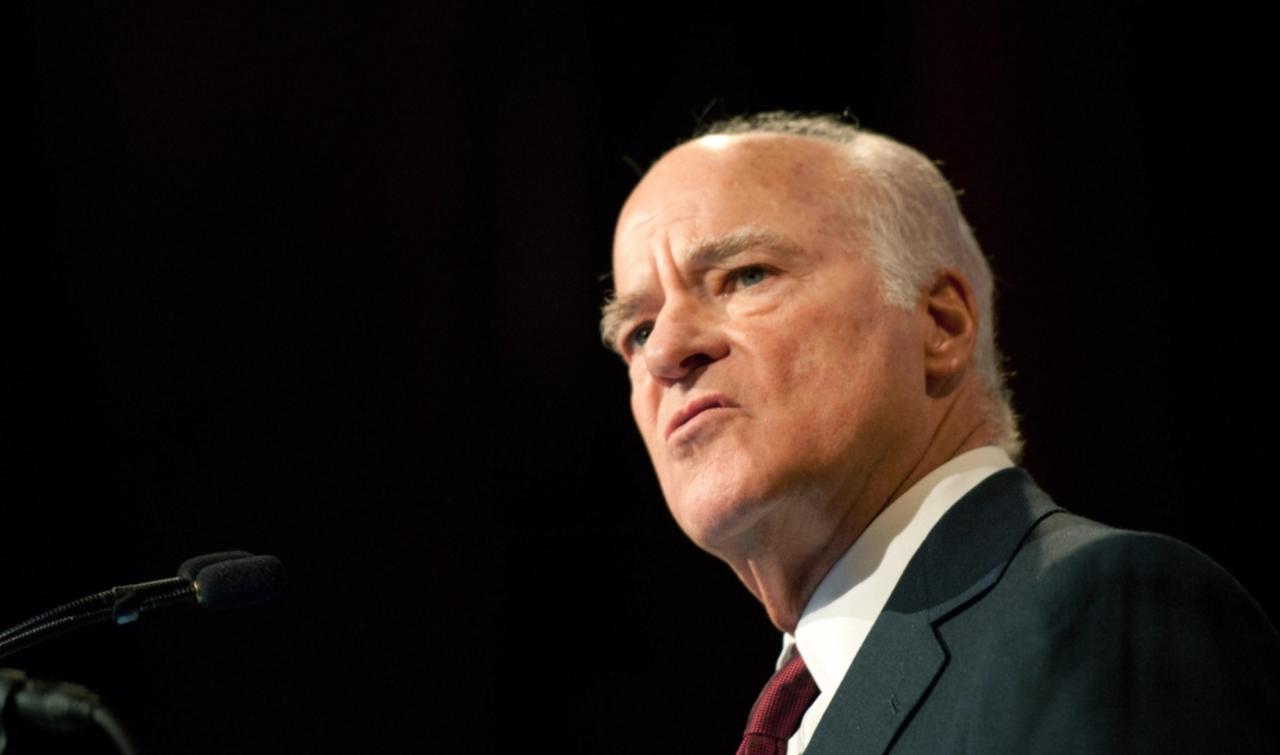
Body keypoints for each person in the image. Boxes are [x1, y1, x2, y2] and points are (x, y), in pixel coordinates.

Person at [599, 112, 1279, 754]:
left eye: (746, 276)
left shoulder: (1098, 611)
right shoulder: (807, 707)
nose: (666, 353)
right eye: (638, 330)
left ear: (941, 325)